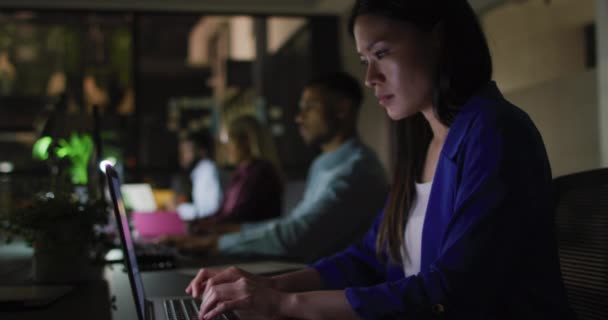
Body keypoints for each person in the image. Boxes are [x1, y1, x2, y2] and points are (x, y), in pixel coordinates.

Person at [183, 1, 575, 319]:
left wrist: (286, 305)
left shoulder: (494, 130)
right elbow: (370, 258)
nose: (370, 76)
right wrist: (270, 286)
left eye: (381, 53)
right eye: (363, 59)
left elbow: (455, 290)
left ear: (438, 39)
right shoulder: (425, 144)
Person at [166, 71, 388, 263]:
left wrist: (216, 243)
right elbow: (291, 225)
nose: (299, 118)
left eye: (309, 107)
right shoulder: (323, 164)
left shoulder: (358, 170)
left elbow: (297, 236)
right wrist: (219, 237)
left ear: (342, 108)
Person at [194, 114, 284, 225]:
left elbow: (240, 217)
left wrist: (206, 225)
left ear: (246, 142)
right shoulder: (241, 173)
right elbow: (223, 212)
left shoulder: (261, 173)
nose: (226, 149)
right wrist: (200, 222)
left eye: (229, 142)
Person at [173, 129, 223, 221]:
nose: (182, 156)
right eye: (181, 151)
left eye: (187, 151)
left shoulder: (207, 169)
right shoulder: (197, 172)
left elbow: (211, 211)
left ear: (202, 151)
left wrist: (178, 209)